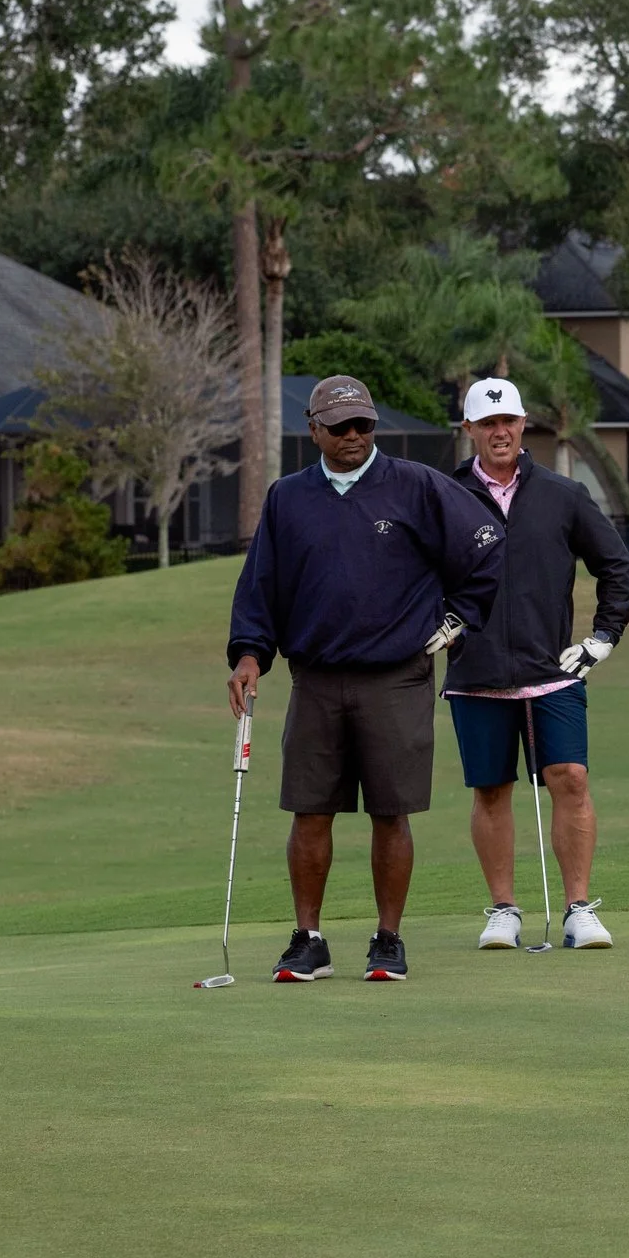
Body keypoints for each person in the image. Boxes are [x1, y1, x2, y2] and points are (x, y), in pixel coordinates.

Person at [226, 375, 504, 983]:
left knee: (390, 812)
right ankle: (309, 941)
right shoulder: (287, 498)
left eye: (364, 425)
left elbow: (487, 544)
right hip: (316, 677)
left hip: (396, 677)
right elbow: (260, 587)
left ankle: (388, 940)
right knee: (309, 811)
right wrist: (249, 655)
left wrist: (457, 619)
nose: (354, 436)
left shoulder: (416, 485)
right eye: (340, 426)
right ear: (314, 430)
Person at [444, 377, 629, 950]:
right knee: (490, 789)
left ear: (523, 424)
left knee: (570, 778)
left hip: (553, 671)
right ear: (470, 429)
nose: (500, 432)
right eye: (488, 423)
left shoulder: (563, 494)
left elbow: (617, 569)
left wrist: (603, 637)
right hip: (476, 672)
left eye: (508, 421)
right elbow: (412, 570)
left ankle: (579, 910)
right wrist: (436, 620)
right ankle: (504, 911)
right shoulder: (445, 495)